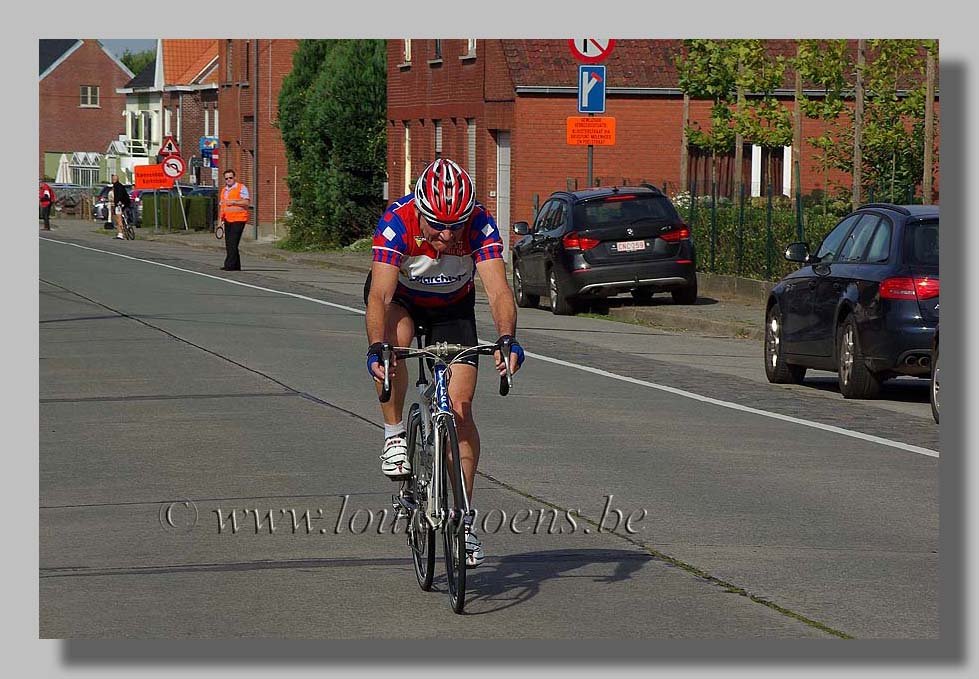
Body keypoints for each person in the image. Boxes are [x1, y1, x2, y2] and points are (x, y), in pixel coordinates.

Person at [364, 158, 525, 568]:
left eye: (456, 224)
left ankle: (463, 522)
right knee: (394, 346)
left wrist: (508, 339)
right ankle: (395, 434)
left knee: (461, 407)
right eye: (437, 224)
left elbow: (498, 290)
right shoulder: (396, 223)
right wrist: (375, 348)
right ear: (419, 211)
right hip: (402, 301)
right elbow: (380, 297)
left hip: (453, 308)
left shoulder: (480, 225)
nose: (447, 234)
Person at [219, 169, 250, 271]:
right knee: (229, 243)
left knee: (233, 242)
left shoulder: (241, 188)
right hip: (228, 219)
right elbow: (222, 206)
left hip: (239, 219)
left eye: (230, 178)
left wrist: (234, 202)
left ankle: (229, 265)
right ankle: (236, 265)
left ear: (234, 178)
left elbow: (246, 202)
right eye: (226, 178)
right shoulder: (224, 191)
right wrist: (220, 221)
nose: (229, 180)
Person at [110, 174, 132, 240]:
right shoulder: (120, 185)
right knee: (121, 216)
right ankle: (126, 224)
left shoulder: (117, 186)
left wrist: (117, 203)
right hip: (125, 202)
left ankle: (120, 234)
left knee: (118, 218)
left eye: (113, 179)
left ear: (114, 180)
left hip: (120, 203)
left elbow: (118, 196)